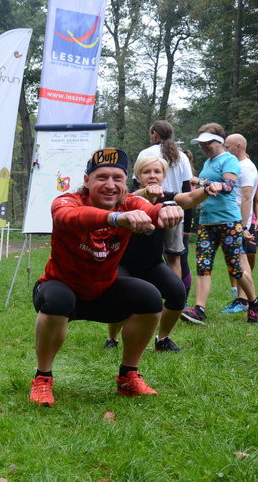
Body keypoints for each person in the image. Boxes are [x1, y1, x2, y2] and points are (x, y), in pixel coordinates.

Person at [29, 148, 183, 407]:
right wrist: (116, 218)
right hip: (61, 287)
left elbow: (150, 210)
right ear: (87, 181)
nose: (110, 185)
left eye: (117, 178)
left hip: (102, 290)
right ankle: (43, 378)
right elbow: (68, 217)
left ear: (125, 182)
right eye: (101, 177)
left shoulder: (130, 202)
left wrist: (167, 210)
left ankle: (128, 376)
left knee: (149, 297)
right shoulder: (68, 201)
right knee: (57, 299)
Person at [104, 156, 222, 352]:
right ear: (138, 176)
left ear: (164, 176)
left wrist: (206, 191)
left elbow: (189, 199)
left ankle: (162, 340)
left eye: (157, 172)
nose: (152, 176)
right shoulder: (127, 197)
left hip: (151, 264)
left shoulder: (168, 198)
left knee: (177, 293)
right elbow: (136, 195)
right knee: (123, 299)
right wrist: (147, 192)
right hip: (123, 264)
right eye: (146, 172)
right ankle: (112, 338)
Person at [181, 124, 258, 325]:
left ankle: (254, 303)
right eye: (200, 144)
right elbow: (208, 185)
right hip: (206, 222)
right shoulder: (208, 163)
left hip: (228, 221)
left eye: (206, 143)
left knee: (235, 268)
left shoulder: (229, 160)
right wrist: (201, 183)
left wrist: (203, 183)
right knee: (203, 266)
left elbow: (228, 186)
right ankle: (199, 310)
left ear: (218, 141)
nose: (202, 147)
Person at [134, 121, 193, 279]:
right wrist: (187, 225)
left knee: (146, 258)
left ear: (154, 133)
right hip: (175, 214)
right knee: (176, 259)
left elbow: (135, 189)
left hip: (146, 213)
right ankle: (179, 299)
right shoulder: (181, 156)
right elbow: (187, 190)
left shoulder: (145, 153)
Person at [222, 133, 258, 313]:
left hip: (240, 221)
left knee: (241, 261)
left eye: (228, 146)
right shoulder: (237, 165)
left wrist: (244, 226)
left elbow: (246, 198)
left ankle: (246, 301)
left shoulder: (246, 168)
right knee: (237, 260)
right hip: (233, 219)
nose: (225, 149)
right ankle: (242, 300)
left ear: (238, 146)